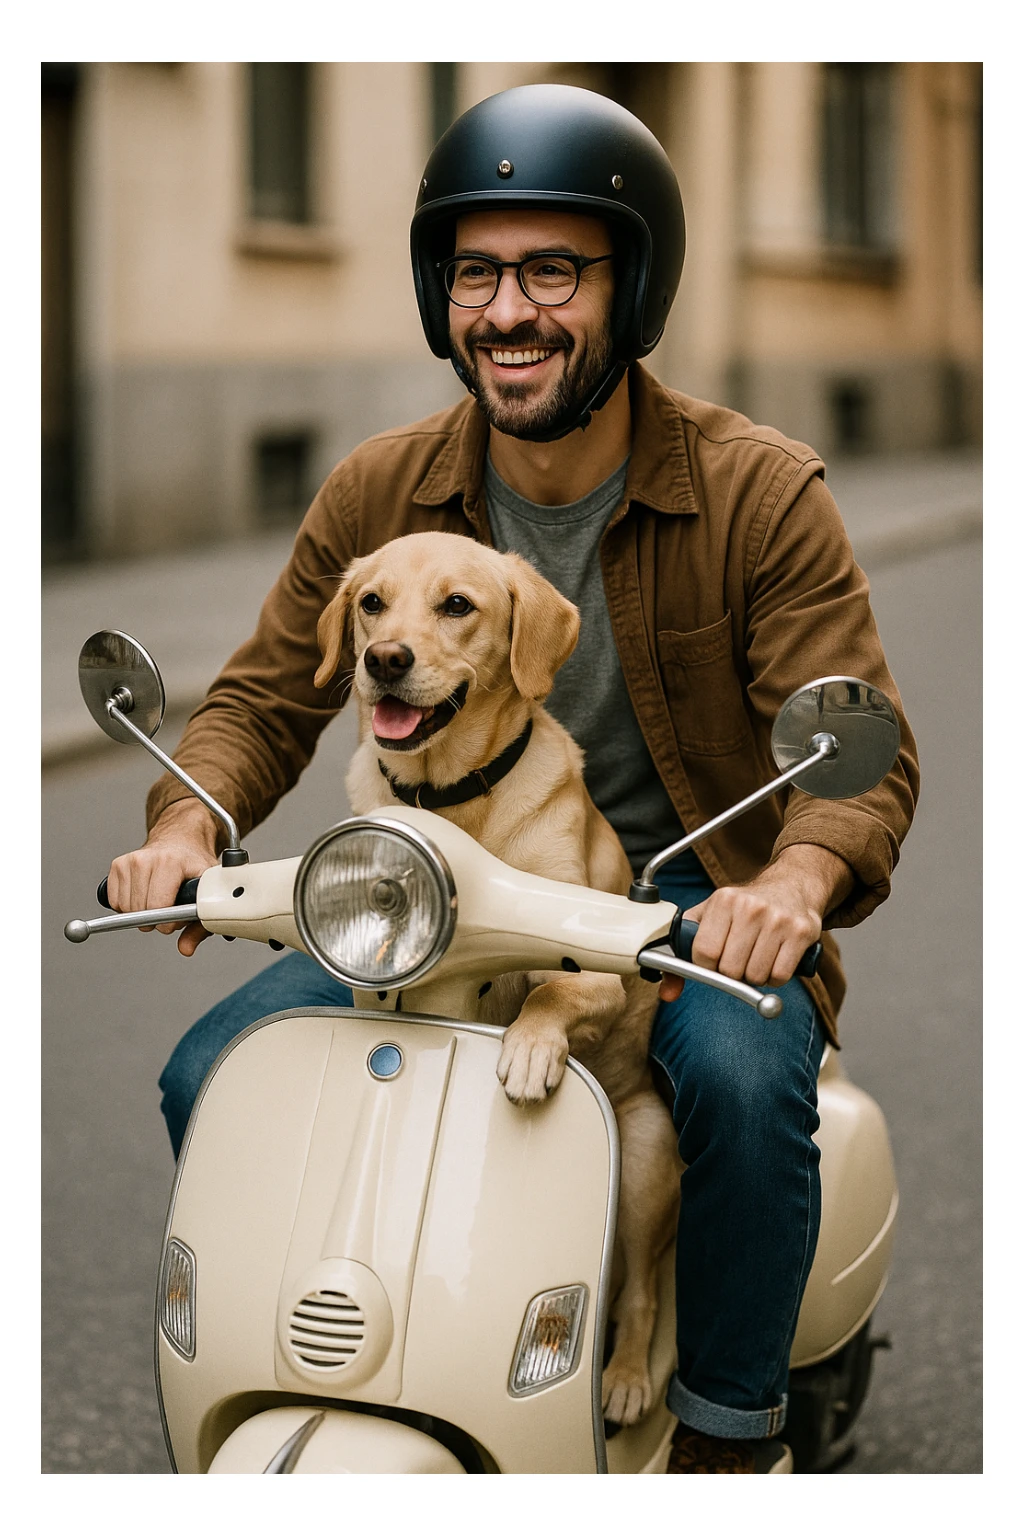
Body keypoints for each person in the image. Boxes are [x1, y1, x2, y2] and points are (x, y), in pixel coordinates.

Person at [107, 84, 919, 1473]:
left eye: (555, 270)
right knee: (214, 1068)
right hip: (431, 907)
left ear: (631, 287)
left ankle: (732, 1439)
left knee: (733, 1076)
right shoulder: (381, 490)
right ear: (442, 295)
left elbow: (859, 745)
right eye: (476, 272)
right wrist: (187, 817)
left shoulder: (759, 491)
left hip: (675, 928)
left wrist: (791, 877)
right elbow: (258, 698)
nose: (510, 311)